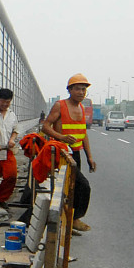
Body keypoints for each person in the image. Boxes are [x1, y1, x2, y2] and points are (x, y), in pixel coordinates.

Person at [41, 74, 97, 232]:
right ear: (70, 90)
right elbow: (45, 126)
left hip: (76, 153)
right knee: (83, 186)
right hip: (63, 154)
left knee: (71, 189)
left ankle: (67, 222)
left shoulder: (81, 107)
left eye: (84, 89)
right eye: (78, 89)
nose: (81, 92)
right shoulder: (60, 106)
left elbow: (83, 134)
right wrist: (62, 137)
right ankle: (75, 218)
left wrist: (90, 157)